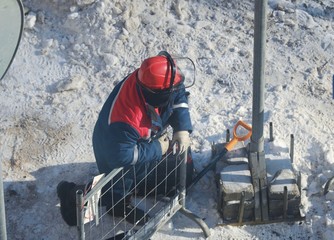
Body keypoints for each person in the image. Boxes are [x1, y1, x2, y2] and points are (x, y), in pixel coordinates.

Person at [57, 51, 194, 226]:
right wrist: (157, 149)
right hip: (114, 149)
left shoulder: (153, 80)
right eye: (171, 89)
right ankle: (75, 198)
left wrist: (182, 129)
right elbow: (121, 156)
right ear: (159, 94)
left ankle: (126, 194)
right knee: (119, 183)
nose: (176, 88)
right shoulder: (128, 117)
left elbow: (178, 92)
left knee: (185, 169)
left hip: (134, 141)